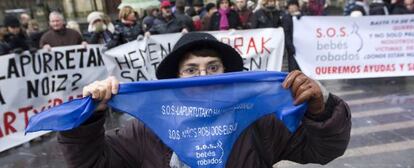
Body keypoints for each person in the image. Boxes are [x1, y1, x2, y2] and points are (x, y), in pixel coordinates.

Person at [58, 32, 351, 167]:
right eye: (191, 70)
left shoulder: (257, 122)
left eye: (212, 68)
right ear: (176, 79)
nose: (203, 77)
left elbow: (322, 152)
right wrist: (88, 118)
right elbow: (93, 162)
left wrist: (321, 109)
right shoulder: (147, 130)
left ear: (226, 74)